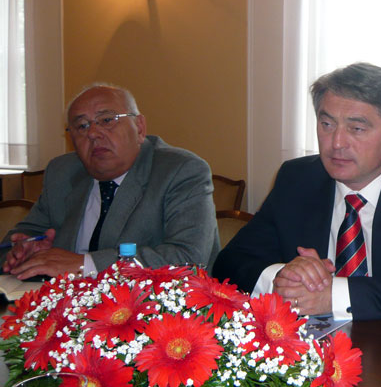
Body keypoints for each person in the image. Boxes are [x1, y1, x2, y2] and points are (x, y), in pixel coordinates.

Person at [212, 62, 381, 320]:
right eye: (327, 125)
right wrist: (283, 278)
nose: (337, 143)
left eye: (356, 128)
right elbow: (229, 262)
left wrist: (334, 295)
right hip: (311, 344)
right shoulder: (297, 179)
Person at [1, 84, 219, 279]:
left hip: (151, 306)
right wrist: (23, 250)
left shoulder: (180, 171)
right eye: (82, 126)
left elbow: (188, 259)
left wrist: (85, 265)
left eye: (106, 120)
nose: (93, 133)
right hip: (64, 303)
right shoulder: (62, 172)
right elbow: (17, 239)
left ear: (139, 128)